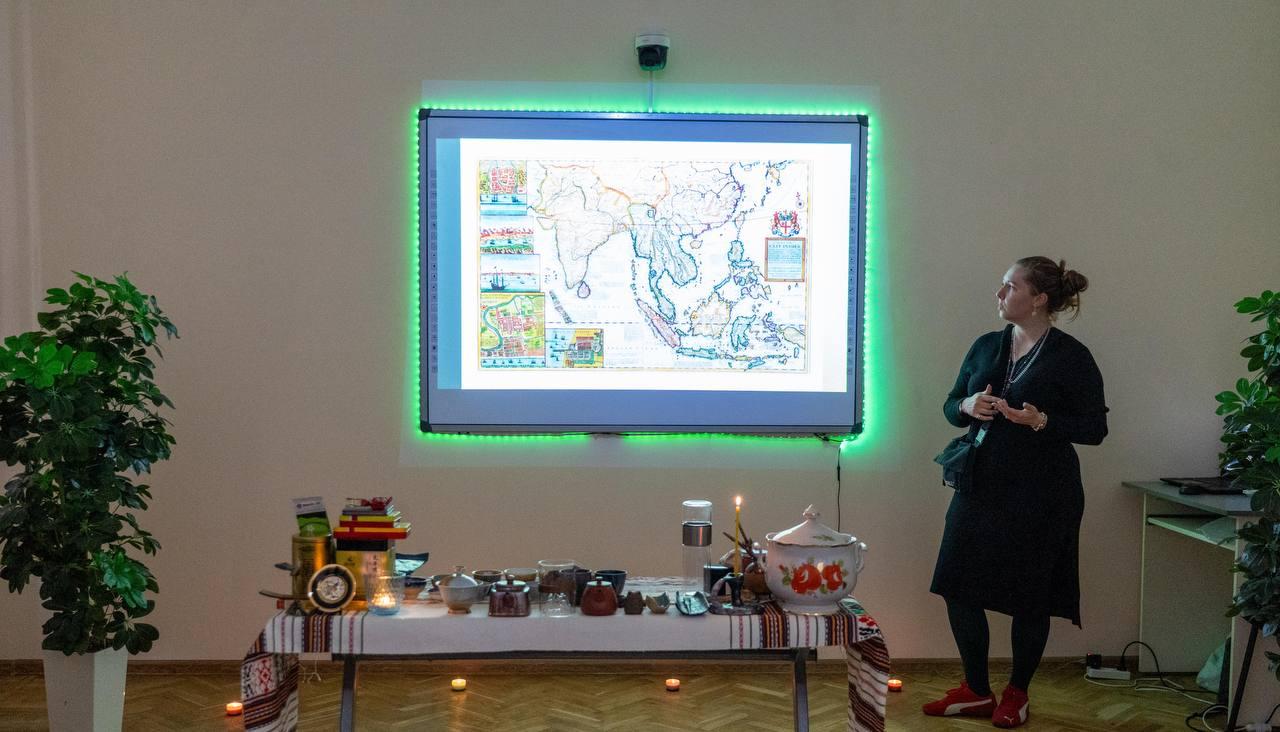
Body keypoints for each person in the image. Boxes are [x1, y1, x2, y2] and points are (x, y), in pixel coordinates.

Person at [923, 257, 1108, 728]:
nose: (1000, 294)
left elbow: (1095, 428)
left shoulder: (1071, 356)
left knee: (1032, 596)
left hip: (1043, 495)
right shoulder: (987, 345)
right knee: (956, 583)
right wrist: (968, 405)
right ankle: (976, 690)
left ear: (1039, 298)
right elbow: (950, 405)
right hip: (979, 485)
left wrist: (1041, 420)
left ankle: (1017, 693)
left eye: (1010, 286)